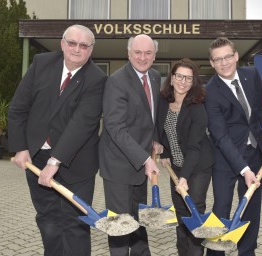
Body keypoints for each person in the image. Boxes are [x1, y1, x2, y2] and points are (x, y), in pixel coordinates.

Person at [8, 24, 107, 256]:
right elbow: (19, 108)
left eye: (83, 45)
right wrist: (20, 147)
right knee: (48, 220)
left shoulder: (97, 79)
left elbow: (81, 125)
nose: (76, 49)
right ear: (62, 44)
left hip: (77, 162)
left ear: (90, 50)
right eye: (72, 43)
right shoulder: (42, 63)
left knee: (76, 223)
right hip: (37, 157)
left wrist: (55, 162)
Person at [205, 37, 262, 256]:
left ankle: (247, 251)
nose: (224, 63)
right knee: (222, 208)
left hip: (254, 153)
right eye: (218, 59)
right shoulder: (210, 91)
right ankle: (215, 253)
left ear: (236, 56)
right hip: (225, 158)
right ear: (212, 63)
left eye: (228, 56)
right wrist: (244, 170)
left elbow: (261, 108)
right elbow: (220, 136)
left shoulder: (252, 75)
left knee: (251, 208)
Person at [99, 34, 162, 256]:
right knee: (119, 225)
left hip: (140, 163)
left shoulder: (154, 77)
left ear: (154, 56)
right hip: (118, 165)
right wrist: (145, 159)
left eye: (148, 53)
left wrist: (155, 139)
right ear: (128, 53)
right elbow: (115, 127)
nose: (142, 57)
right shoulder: (116, 81)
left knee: (138, 219)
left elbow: (150, 115)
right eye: (137, 52)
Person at [157, 58, 215, 256]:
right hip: (177, 165)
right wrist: (164, 152)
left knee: (195, 210)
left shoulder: (197, 107)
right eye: (179, 76)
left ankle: (195, 252)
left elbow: (194, 146)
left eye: (188, 78)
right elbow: (162, 131)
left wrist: (184, 178)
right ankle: (183, 252)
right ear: (172, 78)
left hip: (198, 165)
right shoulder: (163, 102)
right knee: (180, 212)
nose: (183, 81)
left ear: (193, 82)